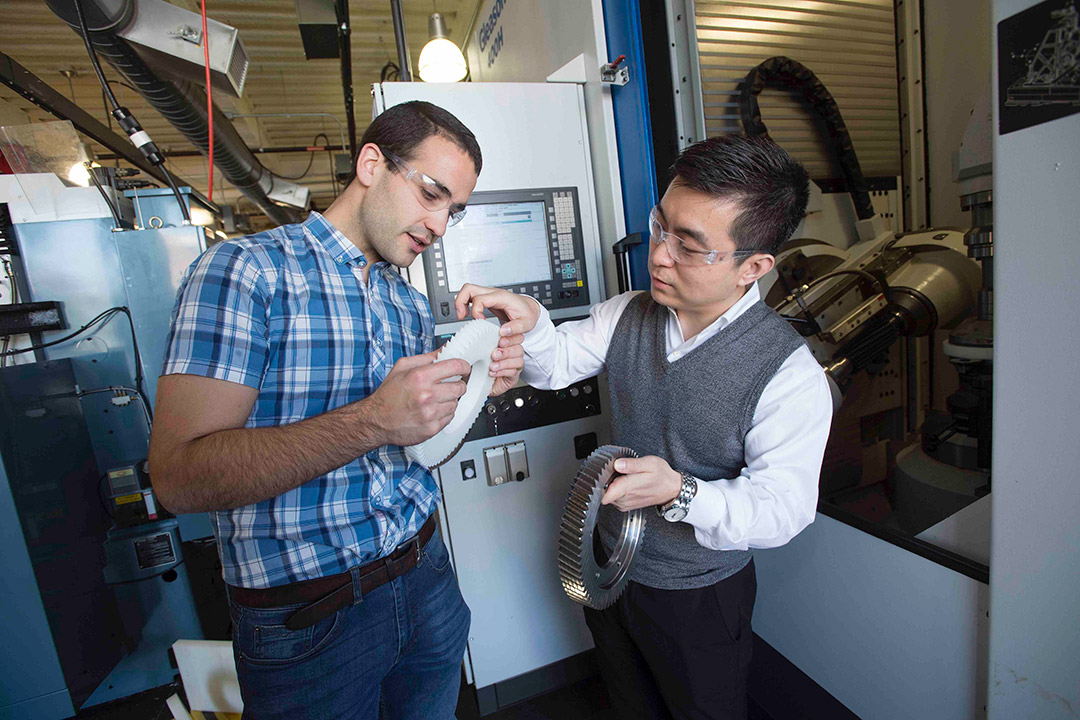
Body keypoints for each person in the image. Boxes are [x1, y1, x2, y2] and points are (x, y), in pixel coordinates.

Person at [149, 101, 525, 720]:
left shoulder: (403, 303)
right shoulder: (245, 272)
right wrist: (372, 420)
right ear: (372, 164)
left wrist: (471, 393)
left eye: (453, 211)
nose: (438, 224)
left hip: (425, 576)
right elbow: (179, 477)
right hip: (310, 619)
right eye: (431, 194)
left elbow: (418, 445)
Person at [454, 134, 833, 720]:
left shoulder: (786, 376)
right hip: (613, 568)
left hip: (698, 596)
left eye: (690, 247)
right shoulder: (630, 311)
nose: (659, 254)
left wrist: (680, 491)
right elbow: (559, 361)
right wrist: (532, 324)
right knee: (629, 704)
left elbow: (784, 508)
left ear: (752, 268)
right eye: (661, 227)